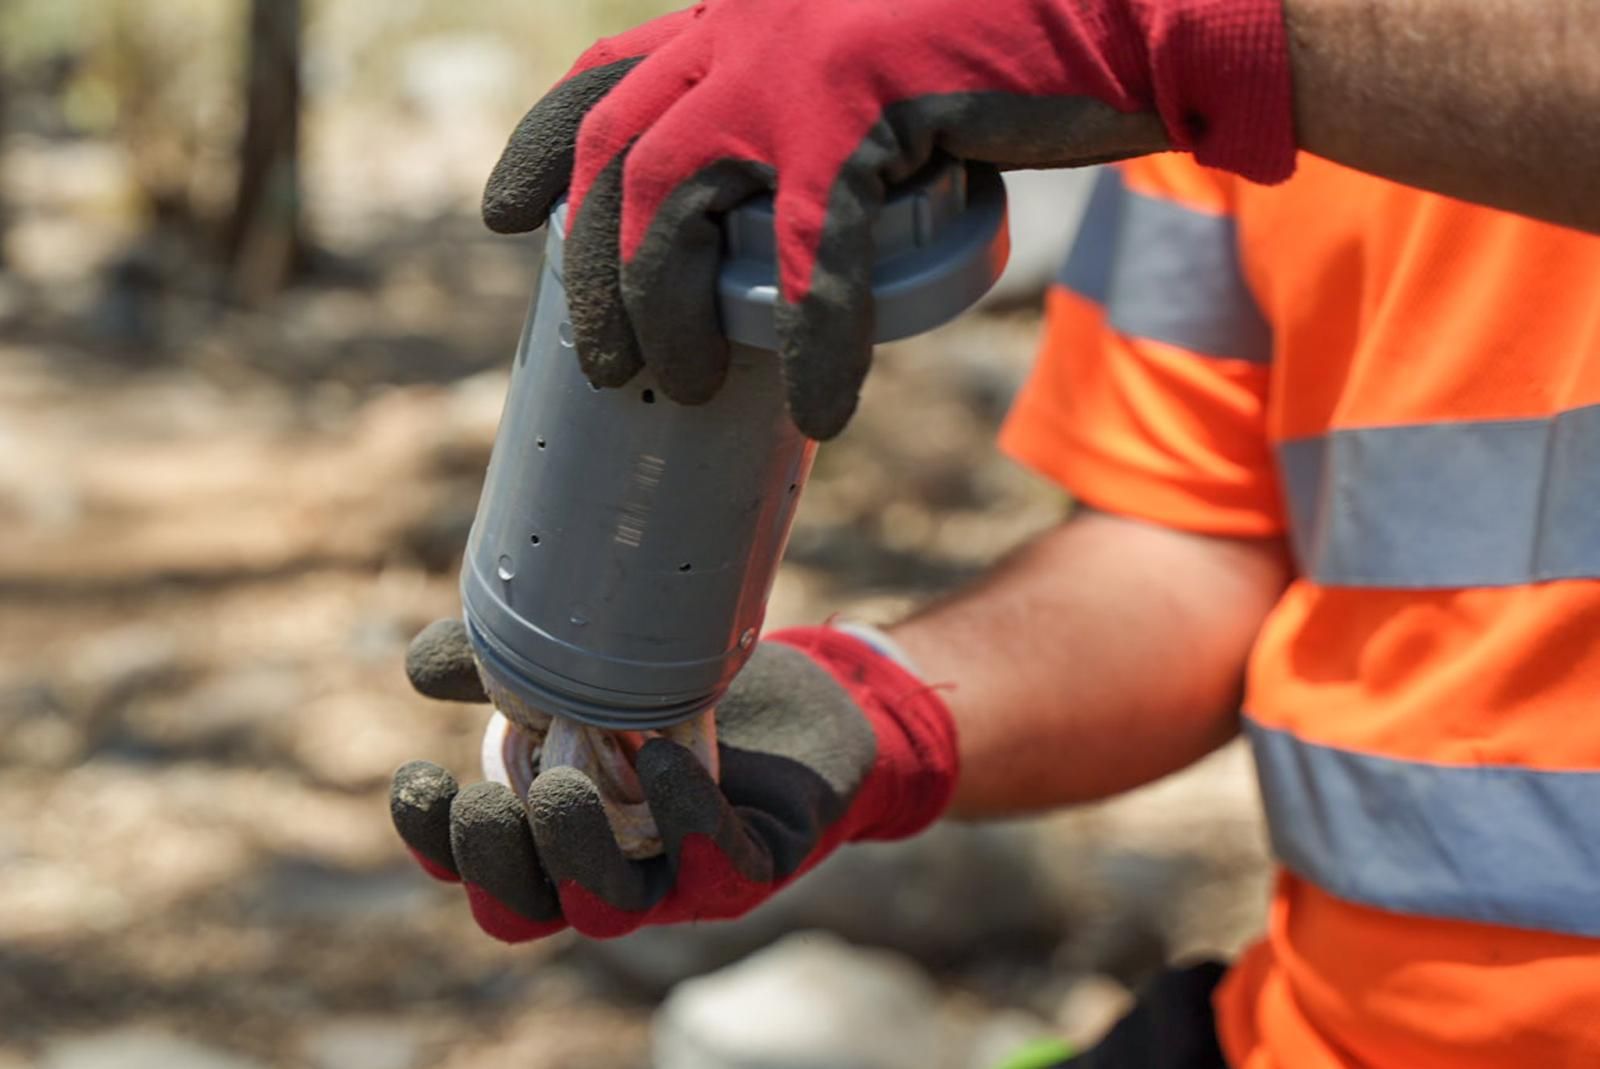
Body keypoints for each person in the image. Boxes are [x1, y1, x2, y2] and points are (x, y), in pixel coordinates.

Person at [388, 1, 1600, 1064]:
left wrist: (1171, 30)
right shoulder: (1204, 93)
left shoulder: (1196, 38)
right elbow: (1191, 547)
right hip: (1329, 1032)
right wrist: (877, 710)